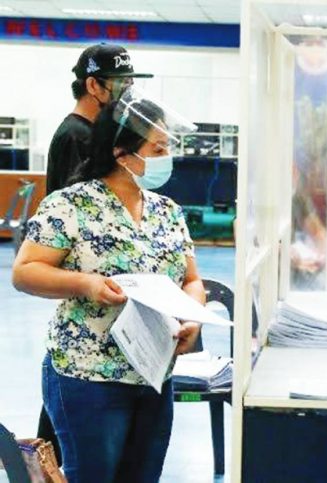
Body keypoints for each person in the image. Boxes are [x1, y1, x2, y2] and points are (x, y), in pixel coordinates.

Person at [12, 93, 202, 482]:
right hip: (88, 375)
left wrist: (191, 317)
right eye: (158, 148)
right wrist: (86, 283)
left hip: (153, 373)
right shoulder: (71, 205)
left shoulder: (168, 211)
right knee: (93, 475)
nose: (167, 156)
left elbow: (191, 280)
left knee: (142, 476)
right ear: (122, 153)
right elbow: (26, 271)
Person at [46, 43, 153, 196]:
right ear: (93, 85)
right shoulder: (75, 136)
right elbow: (76, 201)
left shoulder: (96, 133)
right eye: (121, 84)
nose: (127, 93)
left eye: (130, 84)